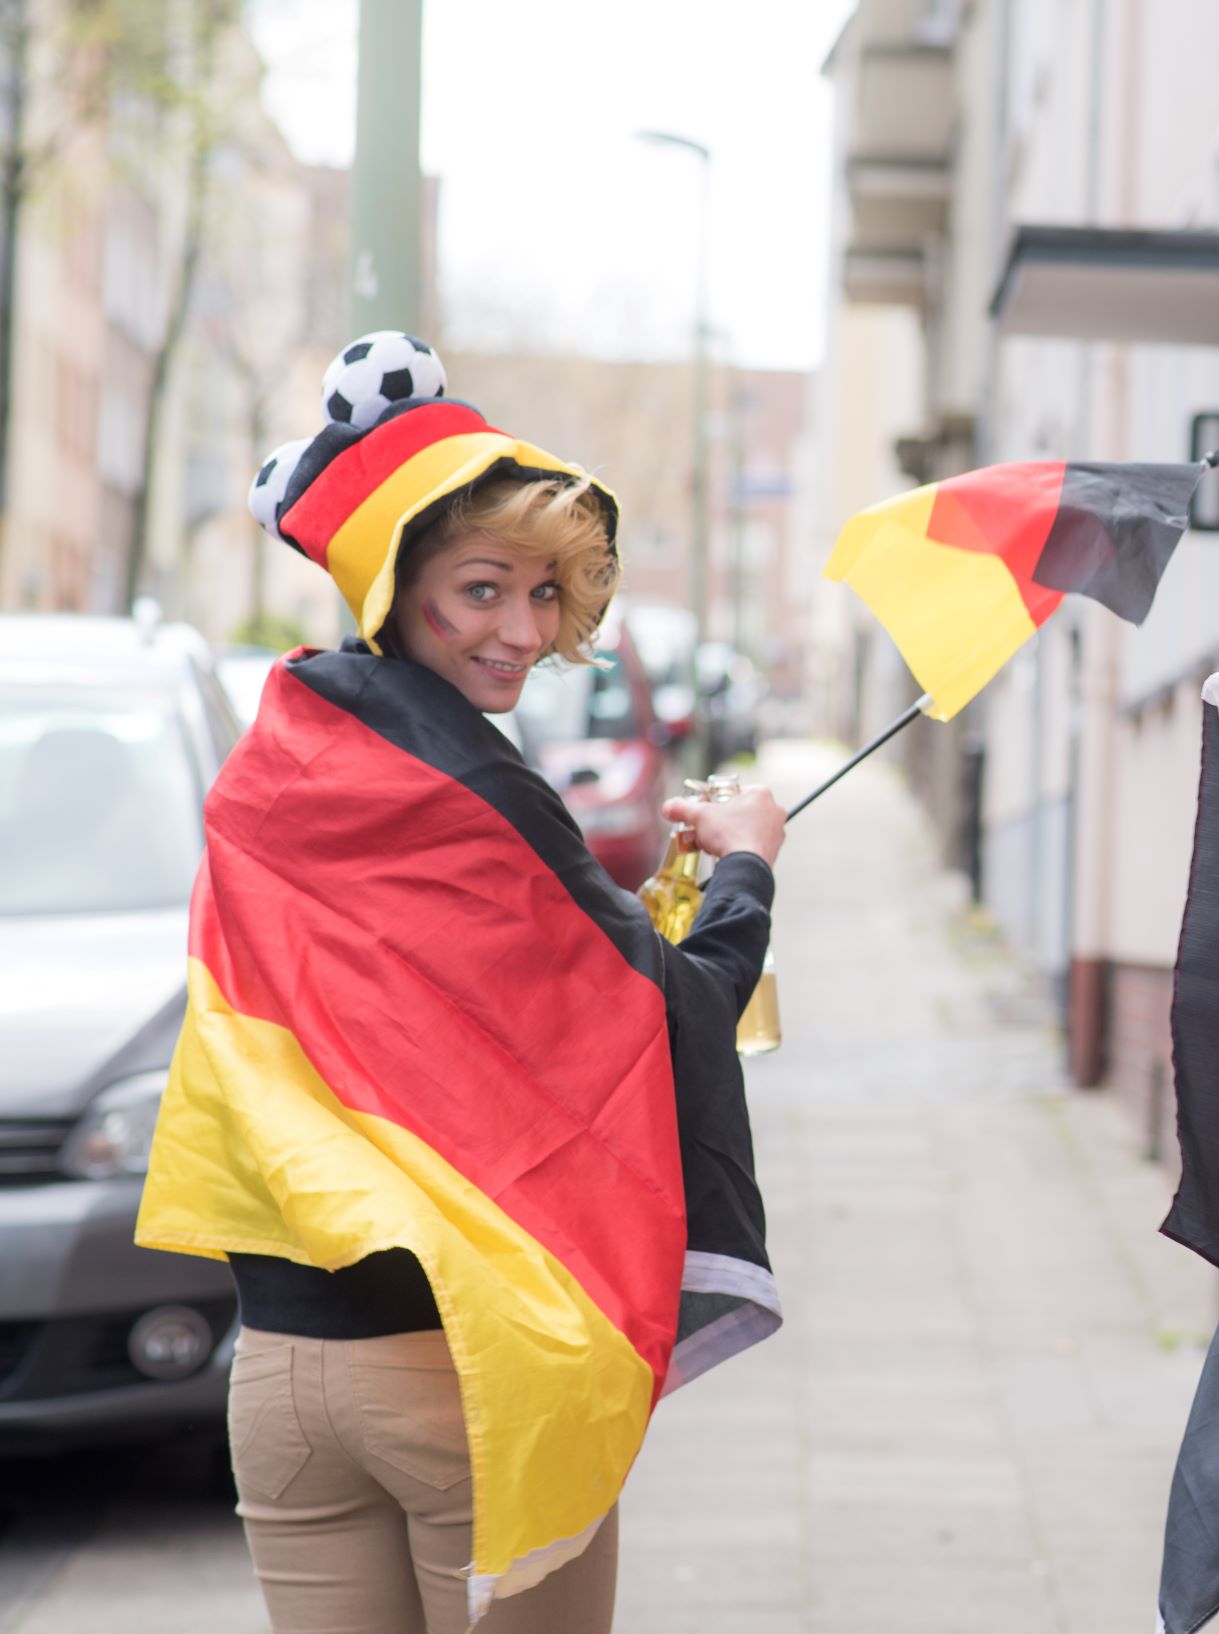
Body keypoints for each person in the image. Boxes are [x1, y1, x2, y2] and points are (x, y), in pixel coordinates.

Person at [138, 343, 785, 1634]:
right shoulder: (482, 790)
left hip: (282, 1379)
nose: (524, 630)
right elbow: (662, 1022)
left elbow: (488, 998)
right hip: (463, 1368)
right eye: (481, 589)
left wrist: (640, 902)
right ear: (390, 581)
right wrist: (750, 869)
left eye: (549, 594)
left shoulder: (267, 768)